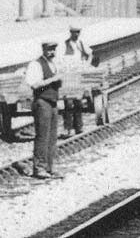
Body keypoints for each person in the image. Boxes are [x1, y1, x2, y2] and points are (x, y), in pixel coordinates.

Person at [24, 41, 62, 179]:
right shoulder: (35, 65)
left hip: (52, 102)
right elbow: (34, 85)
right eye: (49, 49)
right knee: (42, 136)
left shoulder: (53, 64)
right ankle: (39, 168)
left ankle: (49, 168)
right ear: (44, 49)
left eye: (54, 50)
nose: (52, 52)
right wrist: (52, 80)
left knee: (52, 137)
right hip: (42, 102)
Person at [58, 25, 91, 137]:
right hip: (68, 76)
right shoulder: (64, 45)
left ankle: (79, 127)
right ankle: (68, 128)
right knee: (68, 102)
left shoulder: (81, 43)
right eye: (74, 32)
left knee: (78, 101)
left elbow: (90, 54)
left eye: (78, 32)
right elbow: (59, 59)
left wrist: (86, 64)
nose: (76, 34)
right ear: (70, 32)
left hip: (78, 76)